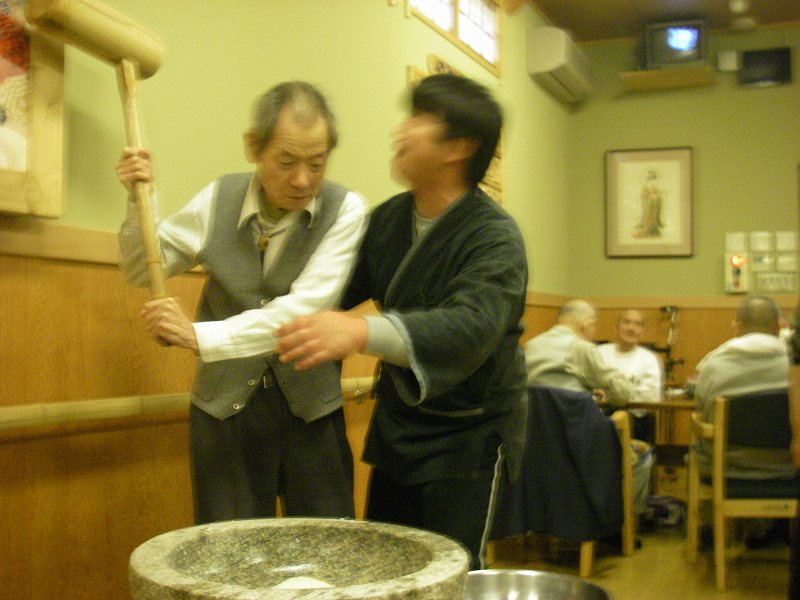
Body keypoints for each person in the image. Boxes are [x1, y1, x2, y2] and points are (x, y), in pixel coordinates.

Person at [276, 74, 528, 570]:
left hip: (468, 438)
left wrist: (359, 331)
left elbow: (471, 326)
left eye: (419, 119)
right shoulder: (388, 220)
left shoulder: (495, 237)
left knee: (451, 577)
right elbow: (328, 291)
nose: (401, 131)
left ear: (458, 146)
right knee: (387, 569)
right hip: (399, 430)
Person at [115, 81, 368, 523]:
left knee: (328, 543)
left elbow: (302, 311)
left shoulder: (346, 209)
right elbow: (141, 267)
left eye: (317, 163)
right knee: (226, 550)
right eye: (286, 162)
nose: (303, 180)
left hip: (312, 409)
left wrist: (197, 336)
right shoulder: (220, 198)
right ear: (254, 146)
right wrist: (141, 197)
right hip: (223, 409)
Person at [524, 299, 653, 517]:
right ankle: (623, 520)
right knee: (643, 454)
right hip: (579, 450)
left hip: (536, 448)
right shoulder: (581, 348)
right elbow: (622, 393)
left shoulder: (531, 346)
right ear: (587, 325)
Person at [693, 295, 792, 480]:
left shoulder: (714, 366)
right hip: (789, 465)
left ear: (737, 327)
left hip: (725, 467)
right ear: (778, 328)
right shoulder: (795, 368)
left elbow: (702, 409)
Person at [598, 309, 663, 442]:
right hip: (599, 416)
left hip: (635, 420)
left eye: (637, 324)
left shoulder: (649, 359)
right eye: (626, 322)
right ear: (616, 327)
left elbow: (651, 396)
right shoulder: (599, 353)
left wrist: (612, 394)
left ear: (642, 331)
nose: (631, 328)